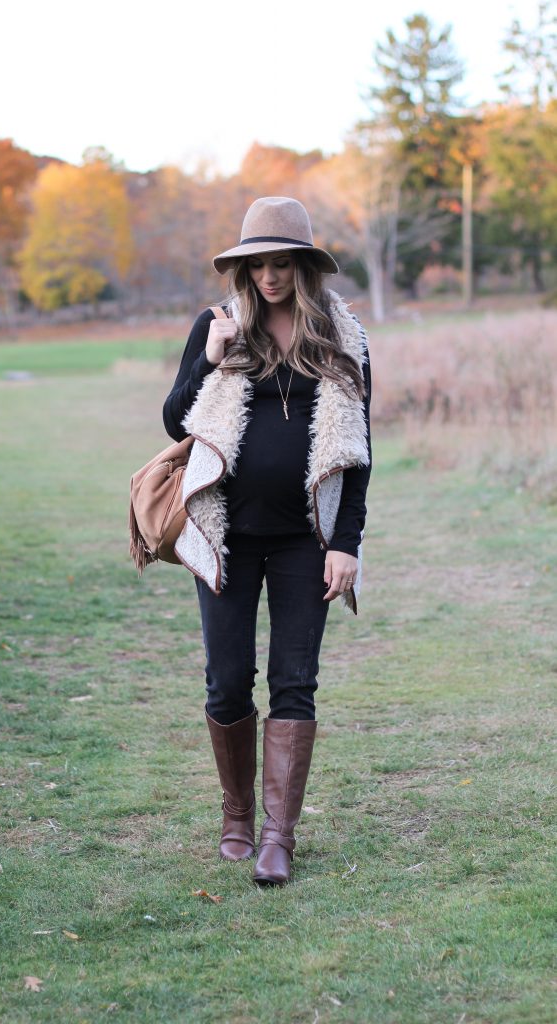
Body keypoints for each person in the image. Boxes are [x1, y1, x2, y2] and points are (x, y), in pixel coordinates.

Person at [162, 197, 372, 886]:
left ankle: (279, 836)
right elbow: (174, 422)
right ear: (244, 266)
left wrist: (345, 544)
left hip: (303, 540)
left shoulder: (342, 336)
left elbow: (356, 453)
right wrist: (210, 361)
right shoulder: (218, 325)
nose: (269, 277)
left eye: (282, 263)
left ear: (304, 267)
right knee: (226, 682)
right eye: (257, 264)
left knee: (294, 682)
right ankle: (236, 818)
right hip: (226, 535)